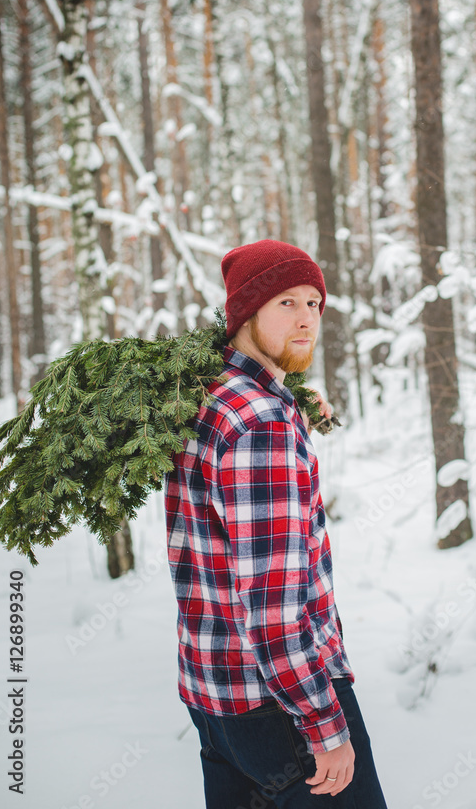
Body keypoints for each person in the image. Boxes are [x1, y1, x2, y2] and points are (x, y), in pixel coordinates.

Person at [164, 239, 389, 808]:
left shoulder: (206, 397)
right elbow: (272, 605)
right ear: (245, 312)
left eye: (315, 303)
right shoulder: (259, 424)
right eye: (287, 302)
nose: (307, 319)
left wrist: (294, 405)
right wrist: (324, 726)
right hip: (282, 704)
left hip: (215, 697)